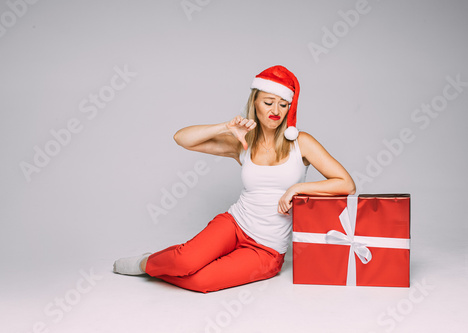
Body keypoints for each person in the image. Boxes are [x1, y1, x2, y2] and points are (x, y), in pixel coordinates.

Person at [113, 65, 356, 293]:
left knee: (200, 280)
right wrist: (225, 127)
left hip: (266, 250)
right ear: (255, 103)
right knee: (184, 262)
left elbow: (346, 184)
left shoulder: (301, 143)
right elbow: (181, 138)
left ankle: (161, 265)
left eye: (283, 105)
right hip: (234, 224)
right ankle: (147, 263)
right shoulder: (243, 142)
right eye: (269, 102)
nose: (275, 111)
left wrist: (298, 188)